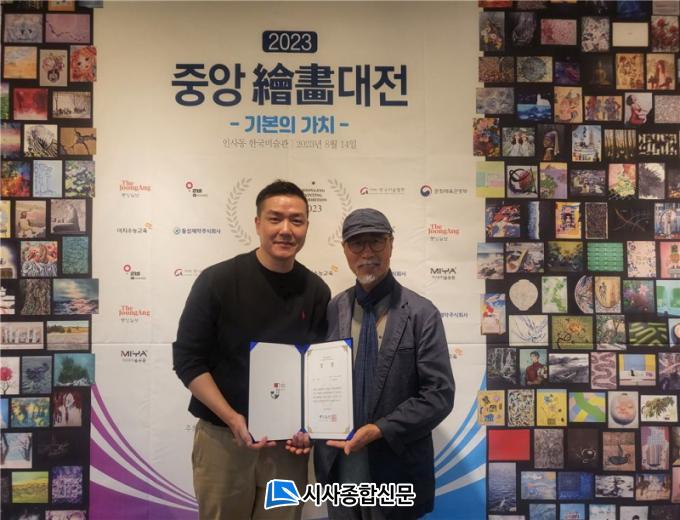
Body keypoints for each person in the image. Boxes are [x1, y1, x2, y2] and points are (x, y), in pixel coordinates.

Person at [172, 180, 331, 519]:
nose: (286, 229)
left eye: (297, 220)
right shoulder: (217, 281)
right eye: (275, 218)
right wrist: (233, 419)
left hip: (287, 447)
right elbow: (188, 360)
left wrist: (311, 426)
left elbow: (319, 371)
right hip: (223, 440)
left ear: (307, 227)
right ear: (258, 223)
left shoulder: (317, 291)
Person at [288, 208, 455, 519]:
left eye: (376, 241)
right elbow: (315, 381)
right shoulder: (333, 309)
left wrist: (380, 429)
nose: (367, 253)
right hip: (340, 469)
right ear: (345, 249)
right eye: (357, 243)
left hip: (397, 469)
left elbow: (439, 395)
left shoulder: (421, 313)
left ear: (391, 244)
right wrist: (304, 425)